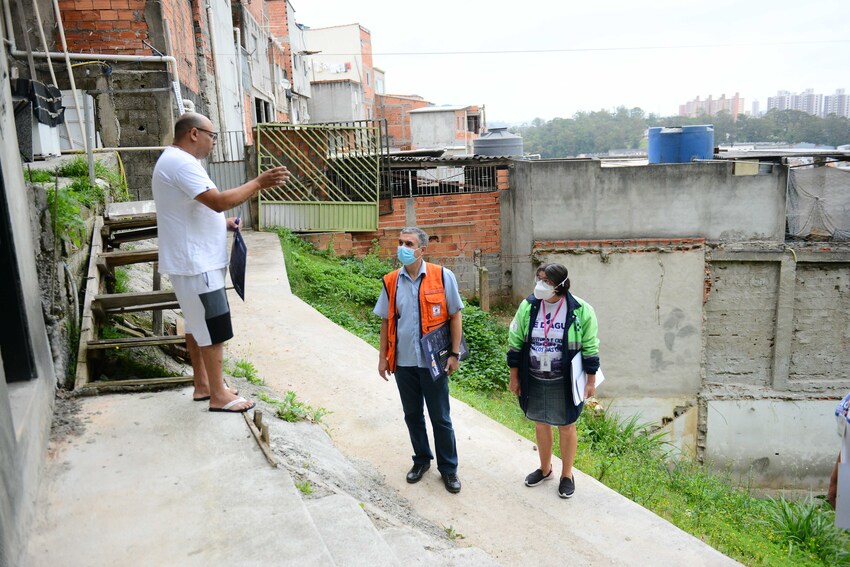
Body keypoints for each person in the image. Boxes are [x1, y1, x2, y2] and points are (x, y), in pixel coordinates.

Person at [152, 112, 289, 413]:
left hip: (192, 259)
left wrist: (221, 224)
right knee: (214, 326)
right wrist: (258, 183)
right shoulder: (181, 163)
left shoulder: (176, 161)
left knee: (196, 325)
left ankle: (203, 385)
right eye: (212, 135)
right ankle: (219, 395)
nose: (213, 142)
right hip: (196, 262)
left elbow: (195, 208)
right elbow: (217, 200)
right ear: (193, 134)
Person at [374, 227, 464, 493]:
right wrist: (383, 358)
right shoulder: (391, 281)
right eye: (400, 242)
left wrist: (454, 353)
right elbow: (386, 321)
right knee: (412, 414)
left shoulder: (442, 276)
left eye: (409, 243)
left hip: (433, 362)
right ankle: (421, 459)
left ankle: (449, 469)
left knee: (441, 417)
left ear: (422, 249)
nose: (402, 247)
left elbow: (455, 315)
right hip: (404, 362)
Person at [507, 263, 600, 498]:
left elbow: (590, 347)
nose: (540, 285)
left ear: (561, 284)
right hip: (534, 376)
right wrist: (514, 377)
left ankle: (566, 474)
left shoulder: (580, 310)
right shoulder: (529, 307)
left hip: (564, 379)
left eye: (546, 281)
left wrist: (590, 381)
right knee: (540, 422)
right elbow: (515, 342)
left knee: (566, 425)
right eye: (539, 279)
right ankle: (545, 468)